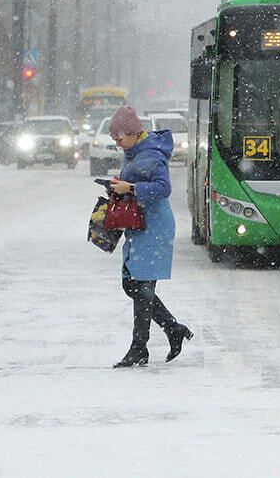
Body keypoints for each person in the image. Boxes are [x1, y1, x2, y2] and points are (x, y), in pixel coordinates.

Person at [107, 106, 192, 368]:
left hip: (154, 226)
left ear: (133, 133)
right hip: (139, 224)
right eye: (114, 140)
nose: (117, 143)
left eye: (120, 138)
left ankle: (139, 348)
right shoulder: (133, 152)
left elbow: (163, 188)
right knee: (132, 285)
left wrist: (130, 187)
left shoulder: (153, 154)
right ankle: (172, 329)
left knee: (142, 288)